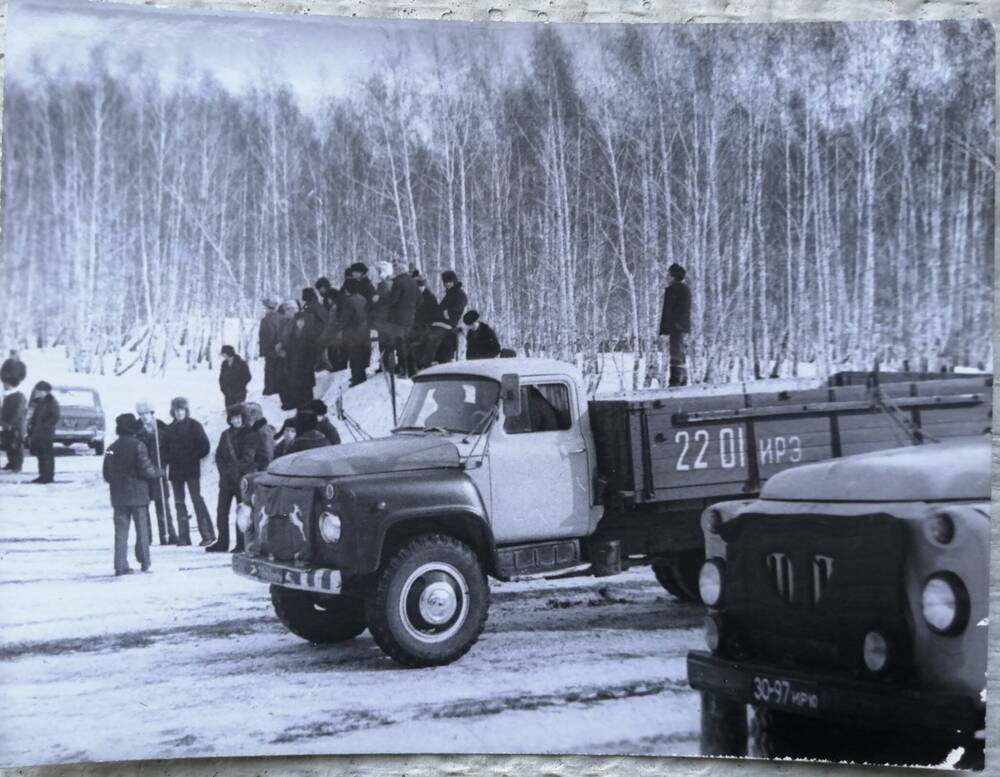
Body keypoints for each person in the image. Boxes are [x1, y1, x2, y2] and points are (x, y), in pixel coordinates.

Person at [103, 413, 159, 576]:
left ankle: (120, 566)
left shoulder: (110, 449)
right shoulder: (138, 445)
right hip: (138, 496)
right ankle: (145, 563)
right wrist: (159, 472)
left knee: (120, 533)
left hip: (118, 497)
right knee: (142, 530)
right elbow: (146, 470)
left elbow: (106, 473)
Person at [209, 405, 260, 553]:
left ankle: (241, 543)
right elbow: (219, 456)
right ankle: (222, 542)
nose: (235, 420)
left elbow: (248, 457)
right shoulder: (225, 435)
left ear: (243, 418)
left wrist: (233, 471)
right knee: (221, 511)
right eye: (233, 418)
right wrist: (224, 472)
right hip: (226, 480)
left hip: (242, 480)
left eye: (238, 417)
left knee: (242, 512)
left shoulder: (251, 434)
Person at [164, 397, 213, 547]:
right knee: (179, 502)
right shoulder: (169, 429)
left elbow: (205, 446)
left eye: (182, 410)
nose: (179, 413)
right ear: (173, 412)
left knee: (197, 500)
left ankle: (207, 534)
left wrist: (192, 457)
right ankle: (183, 536)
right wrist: (169, 458)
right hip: (176, 471)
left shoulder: (194, 426)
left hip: (191, 469)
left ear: (186, 411)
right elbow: (164, 450)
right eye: (177, 410)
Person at [135, 401, 177, 545]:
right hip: (143, 475)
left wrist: (166, 461)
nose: (144, 417)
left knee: (163, 505)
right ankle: (146, 537)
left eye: (147, 413)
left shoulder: (161, 428)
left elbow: (170, 448)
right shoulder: (136, 430)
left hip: (159, 471)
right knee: (144, 507)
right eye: (141, 414)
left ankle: (168, 534)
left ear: (152, 413)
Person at [422, 270, 468, 367]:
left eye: (449, 282)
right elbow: (441, 308)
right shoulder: (450, 293)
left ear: (454, 281)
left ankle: (427, 363)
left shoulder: (459, 294)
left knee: (431, 337)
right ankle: (428, 361)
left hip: (449, 323)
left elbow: (458, 309)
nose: (447, 284)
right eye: (445, 282)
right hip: (441, 322)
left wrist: (446, 312)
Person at [659, 262, 692, 387]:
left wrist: (666, 328)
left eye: (668, 275)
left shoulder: (673, 290)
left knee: (676, 352)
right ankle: (683, 377)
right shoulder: (685, 289)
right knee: (680, 352)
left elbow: (669, 311)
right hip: (682, 326)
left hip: (675, 327)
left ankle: (676, 379)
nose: (666, 278)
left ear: (673, 276)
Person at [385, 260, 419, 376]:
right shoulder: (413, 282)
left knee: (400, 344)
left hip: (398, 319)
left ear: (398, 270)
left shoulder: (398, 282)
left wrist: (388, 295)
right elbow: (420, 300)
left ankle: (403, 370)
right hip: (411, 317)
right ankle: (413, 369)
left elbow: (393, 300)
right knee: (409, 343)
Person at [26, 381, 60, 484]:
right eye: (38, 390)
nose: (38, 393)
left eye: (40, 391)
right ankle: (42, 475)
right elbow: (34, 416)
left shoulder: (52, 402)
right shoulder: (39, 402)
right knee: (40, 455)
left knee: (47, 455)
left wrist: (45, 426)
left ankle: (48, 476)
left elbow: (55, 417)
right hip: (37, 432)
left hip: (46, 433)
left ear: (46, 391)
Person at [339, 280, 371, 387]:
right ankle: (362, 375)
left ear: (348, 290)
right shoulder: (363, 299)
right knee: (362, 354)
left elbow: (345, 319)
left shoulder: (348, 301)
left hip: (352, 332)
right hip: (364, 331)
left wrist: (340, 328)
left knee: (354, 356)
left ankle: (357, 378)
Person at [283, 313, 317, 410]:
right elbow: (289, 350)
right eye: (298, 321)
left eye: (302, 321)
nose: (300, 323)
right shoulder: (292, 335)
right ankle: (296, 403)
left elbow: (313, 352)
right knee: (295, 385)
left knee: (307, 386)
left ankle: (308, 404)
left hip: (306, 365)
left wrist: (310, 364)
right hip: (294, 364)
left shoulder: (310, 334)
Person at [274, 301, 298, 411]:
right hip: (283, 356)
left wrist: (284, 349)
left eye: (287, 310)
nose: (285, 313)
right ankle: (286, 402)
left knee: (288, 379)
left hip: (291, 356)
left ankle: (290, 402)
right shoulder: (285, 322)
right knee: (281, 378)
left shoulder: (296, 323)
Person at [259, 299, 284, 396]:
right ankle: (277, 389)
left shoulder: (266, 320)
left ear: (267, 308)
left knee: (269, 370)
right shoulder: (282, 318)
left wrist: (267, 348)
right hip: (280, 348)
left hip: (270, 349)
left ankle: (269, 390)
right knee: (278, 369)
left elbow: (268, 335)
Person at [1, 380, 27, 473]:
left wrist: (10, 423)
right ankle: (11, 463)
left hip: (16, 426)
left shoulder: (19, 396)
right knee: (8, 444)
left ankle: (17, 465)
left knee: (16, 445)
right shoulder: (7, 396)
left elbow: (18, 412)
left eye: (5, 384)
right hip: (6, 425)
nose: (4, 386)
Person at [244, 402, 276, 472]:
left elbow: (267, 456)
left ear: (254, 416)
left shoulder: (262, 432)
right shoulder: (258, 430)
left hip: (260, 473)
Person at [219, 345, 252, 409]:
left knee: (239, 412)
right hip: (228, 394)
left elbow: (248, 377)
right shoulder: (224, 364)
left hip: (239, 394)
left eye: (223, 354)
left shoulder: (241, 363)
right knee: (230, 413)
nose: (223, 356)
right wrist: (223, 389)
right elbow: (221, 378)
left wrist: (240, 386)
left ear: (228, 353)